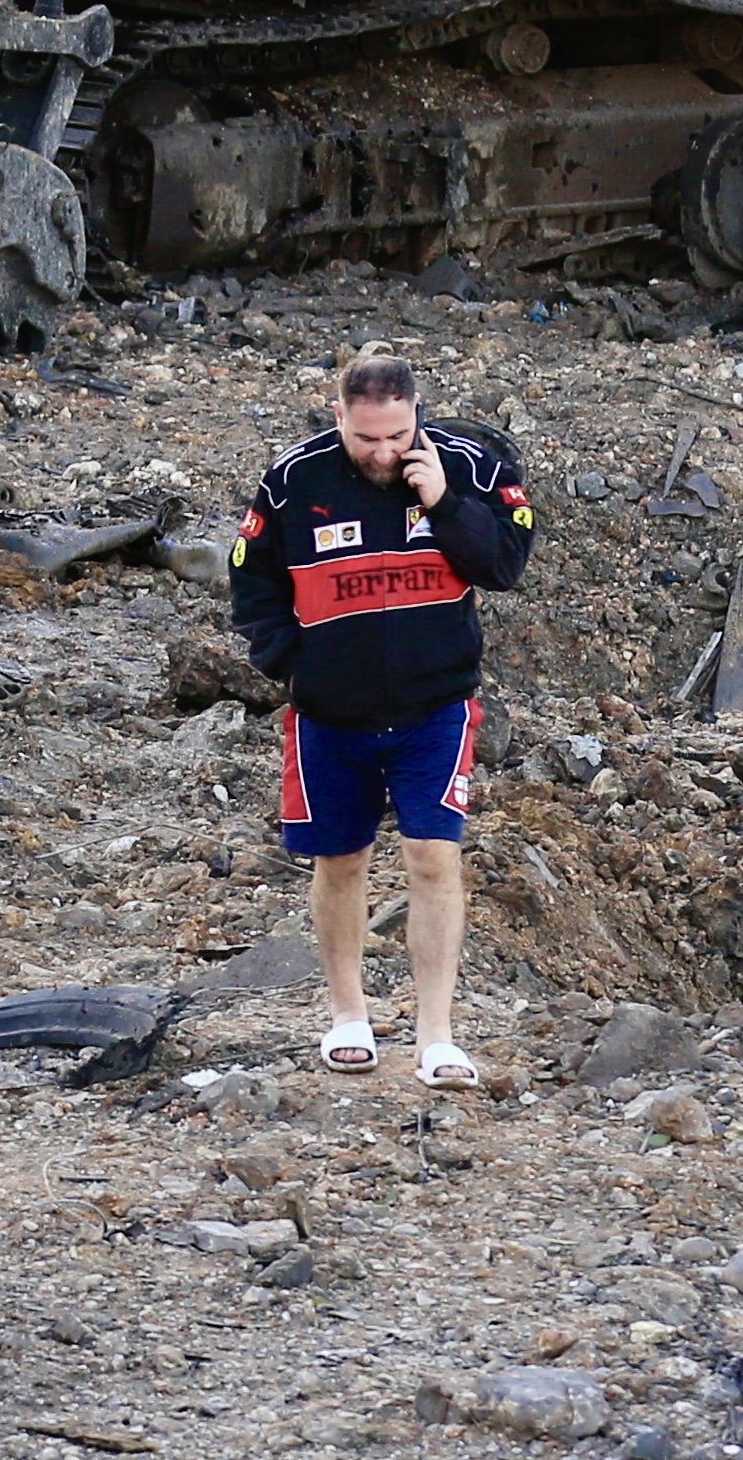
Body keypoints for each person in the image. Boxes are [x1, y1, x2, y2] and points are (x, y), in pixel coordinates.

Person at [229, 353, 537, 1087]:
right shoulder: (294, 479)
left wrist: (445, 505)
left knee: (433, 856)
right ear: (339, 417)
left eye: (397, 435)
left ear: (416, 414)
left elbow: (504, 566)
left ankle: (436, 1035)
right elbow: (251, 574)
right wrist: (290, 663)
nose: (383, 453)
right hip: (329, 713)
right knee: (341, 861)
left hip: (436, 705)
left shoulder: (470, 466)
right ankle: (349, 1017)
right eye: (367, 438)